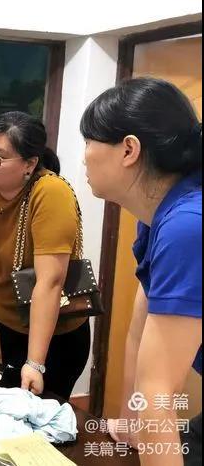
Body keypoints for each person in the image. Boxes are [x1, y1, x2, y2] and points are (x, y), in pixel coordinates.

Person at [81, 78, 201, 466]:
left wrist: (145, 416)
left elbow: (158, 392)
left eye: (90, 141)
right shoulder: (156, 217)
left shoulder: (187, 225)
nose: (84, 157)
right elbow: (140, 325)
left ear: (129, 149)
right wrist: (131, 422)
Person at [0, 111, 89, 399]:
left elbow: (50, 282)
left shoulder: (51, 193)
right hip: (9, 319)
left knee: (42, 415)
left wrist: (35, 363)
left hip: (56, 334)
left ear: (29, 164)